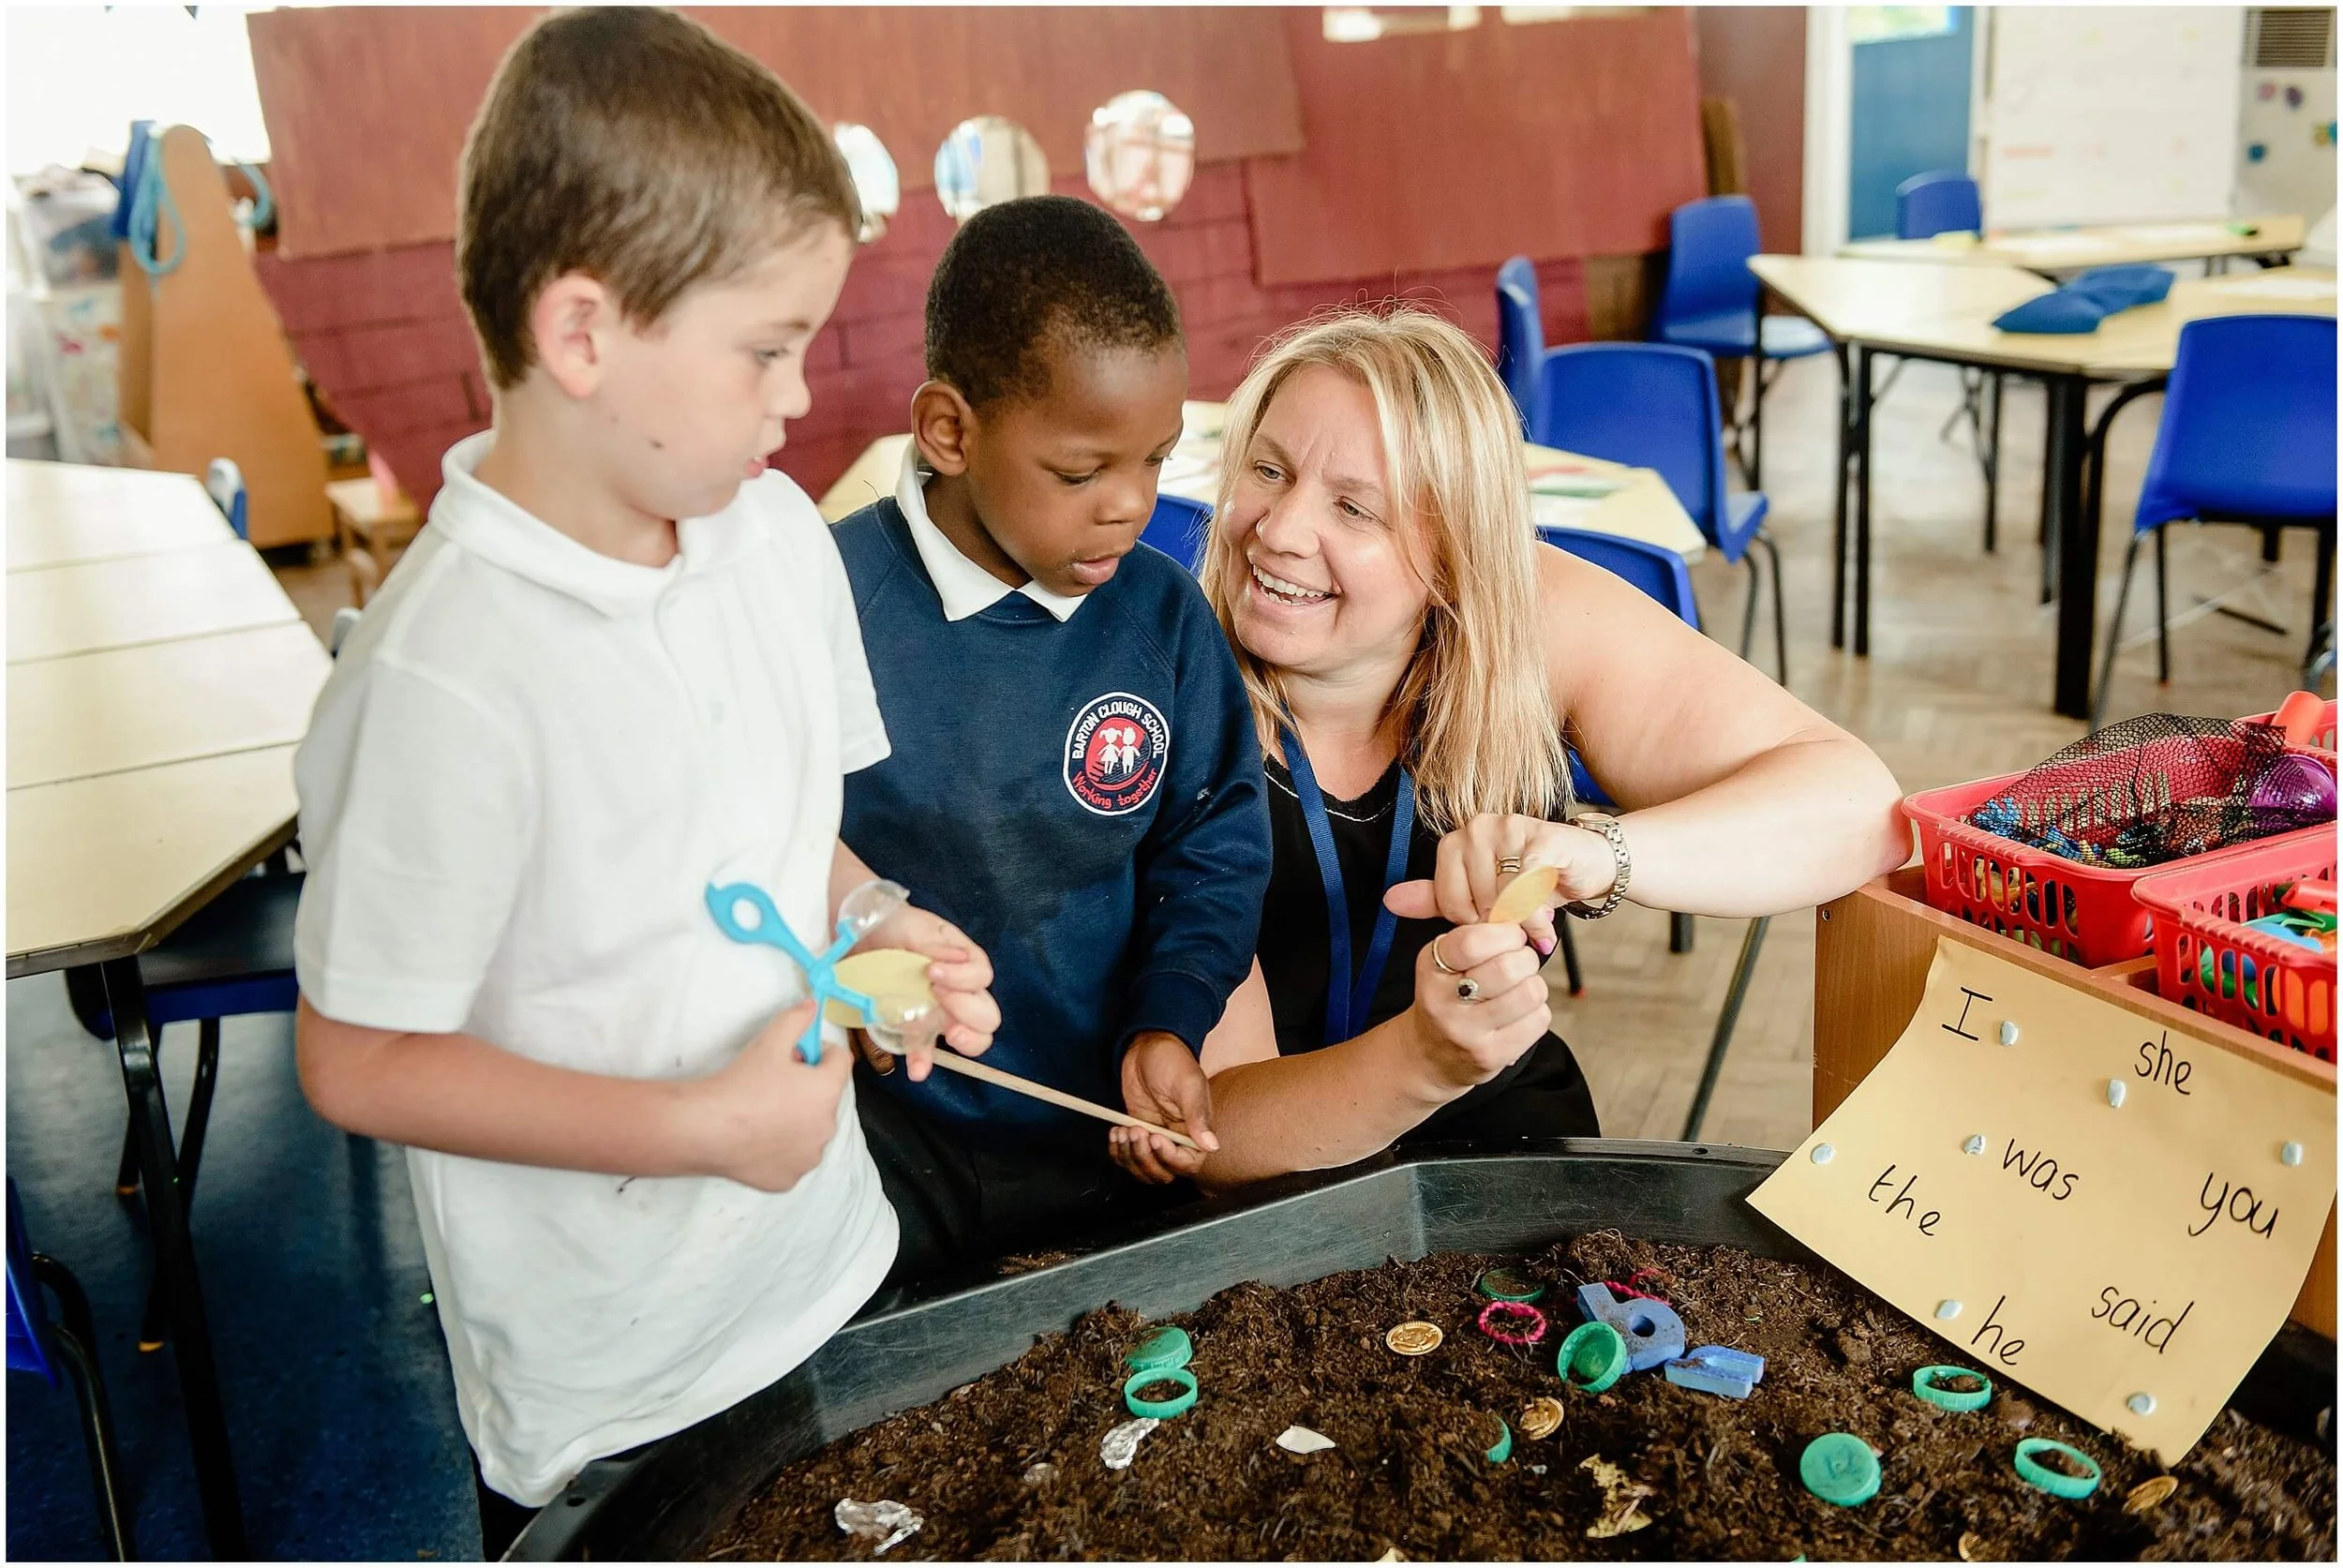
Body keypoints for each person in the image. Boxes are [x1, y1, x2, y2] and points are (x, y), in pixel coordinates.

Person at [287, 9, 998, 1555]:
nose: (801, 398)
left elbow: (797, 839)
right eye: (766, 348)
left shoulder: (776, 539)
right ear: (586, 333)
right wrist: (703, 1125)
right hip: (614, 1385)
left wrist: (881, 929)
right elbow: (355, 1060)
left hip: (824, 1268)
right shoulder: (440, 680)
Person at [1103, 307, 1909, 1190]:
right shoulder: (1159, 697)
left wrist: (1595, 854)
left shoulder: (1524, 613)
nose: (1279, 530)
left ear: (1454, 550)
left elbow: (1858, 807)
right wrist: (1421, 1060)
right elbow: (1213, 1132)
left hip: (1503, 1142)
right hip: (1273, 1190)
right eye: (1268, 469)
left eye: (1353, 507)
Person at [832, 195, 1273, 1282]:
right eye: (1081, 472)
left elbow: (1212, 848)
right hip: (876, 1151)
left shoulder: (1161, 616)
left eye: (1157, 461)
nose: (1129, 505)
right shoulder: (819, 599)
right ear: (950, 429)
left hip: (1101, 1136)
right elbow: (752, 843)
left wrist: (1168, 1024)